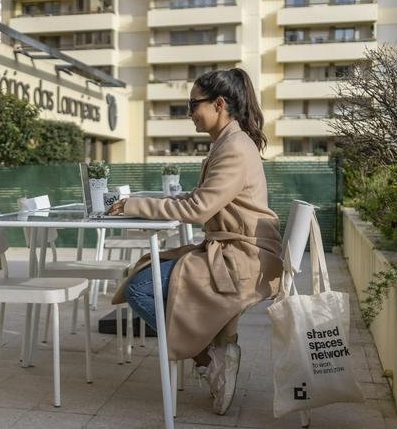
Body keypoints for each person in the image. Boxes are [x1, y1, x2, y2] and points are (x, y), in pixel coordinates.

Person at [107, 68, 283, 415]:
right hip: (235, 250)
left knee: (141, 288)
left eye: (193, 105)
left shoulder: (233, 147)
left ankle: (211, 358)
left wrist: (133, 204)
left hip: (241, 258)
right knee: (150, 273)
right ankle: (218, 349)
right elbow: (205, 199)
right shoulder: (230, 142)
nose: (189, 113)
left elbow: (199, 208)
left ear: (219, 104)